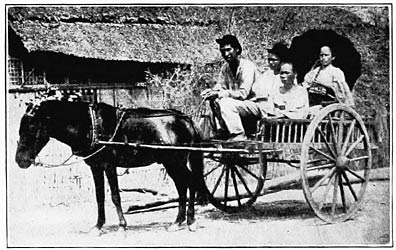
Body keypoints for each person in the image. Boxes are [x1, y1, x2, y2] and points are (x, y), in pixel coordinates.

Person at [200, 34, 260, 141]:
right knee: (215, 101)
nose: (226, 54)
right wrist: (211, 92)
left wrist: (220, 93)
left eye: (228, 50)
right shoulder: (225, 68)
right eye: (223, 51)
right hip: (240, 105)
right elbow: (220, 86)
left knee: (225, 103)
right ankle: (223, 131)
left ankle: (239, 135)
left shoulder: (247, 67)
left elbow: (243, 93)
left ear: (237, 49)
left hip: (255, 104)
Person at [302, 45, 354, 115]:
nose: (323, 58)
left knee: (312, 112)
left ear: (333, 57)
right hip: (313, 101)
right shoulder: (314, 72)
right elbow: (305, 85)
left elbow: (341, 92)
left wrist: (325, 85)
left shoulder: (336, 72)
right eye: (321, 55)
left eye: (326, 55)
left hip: (328, 104)